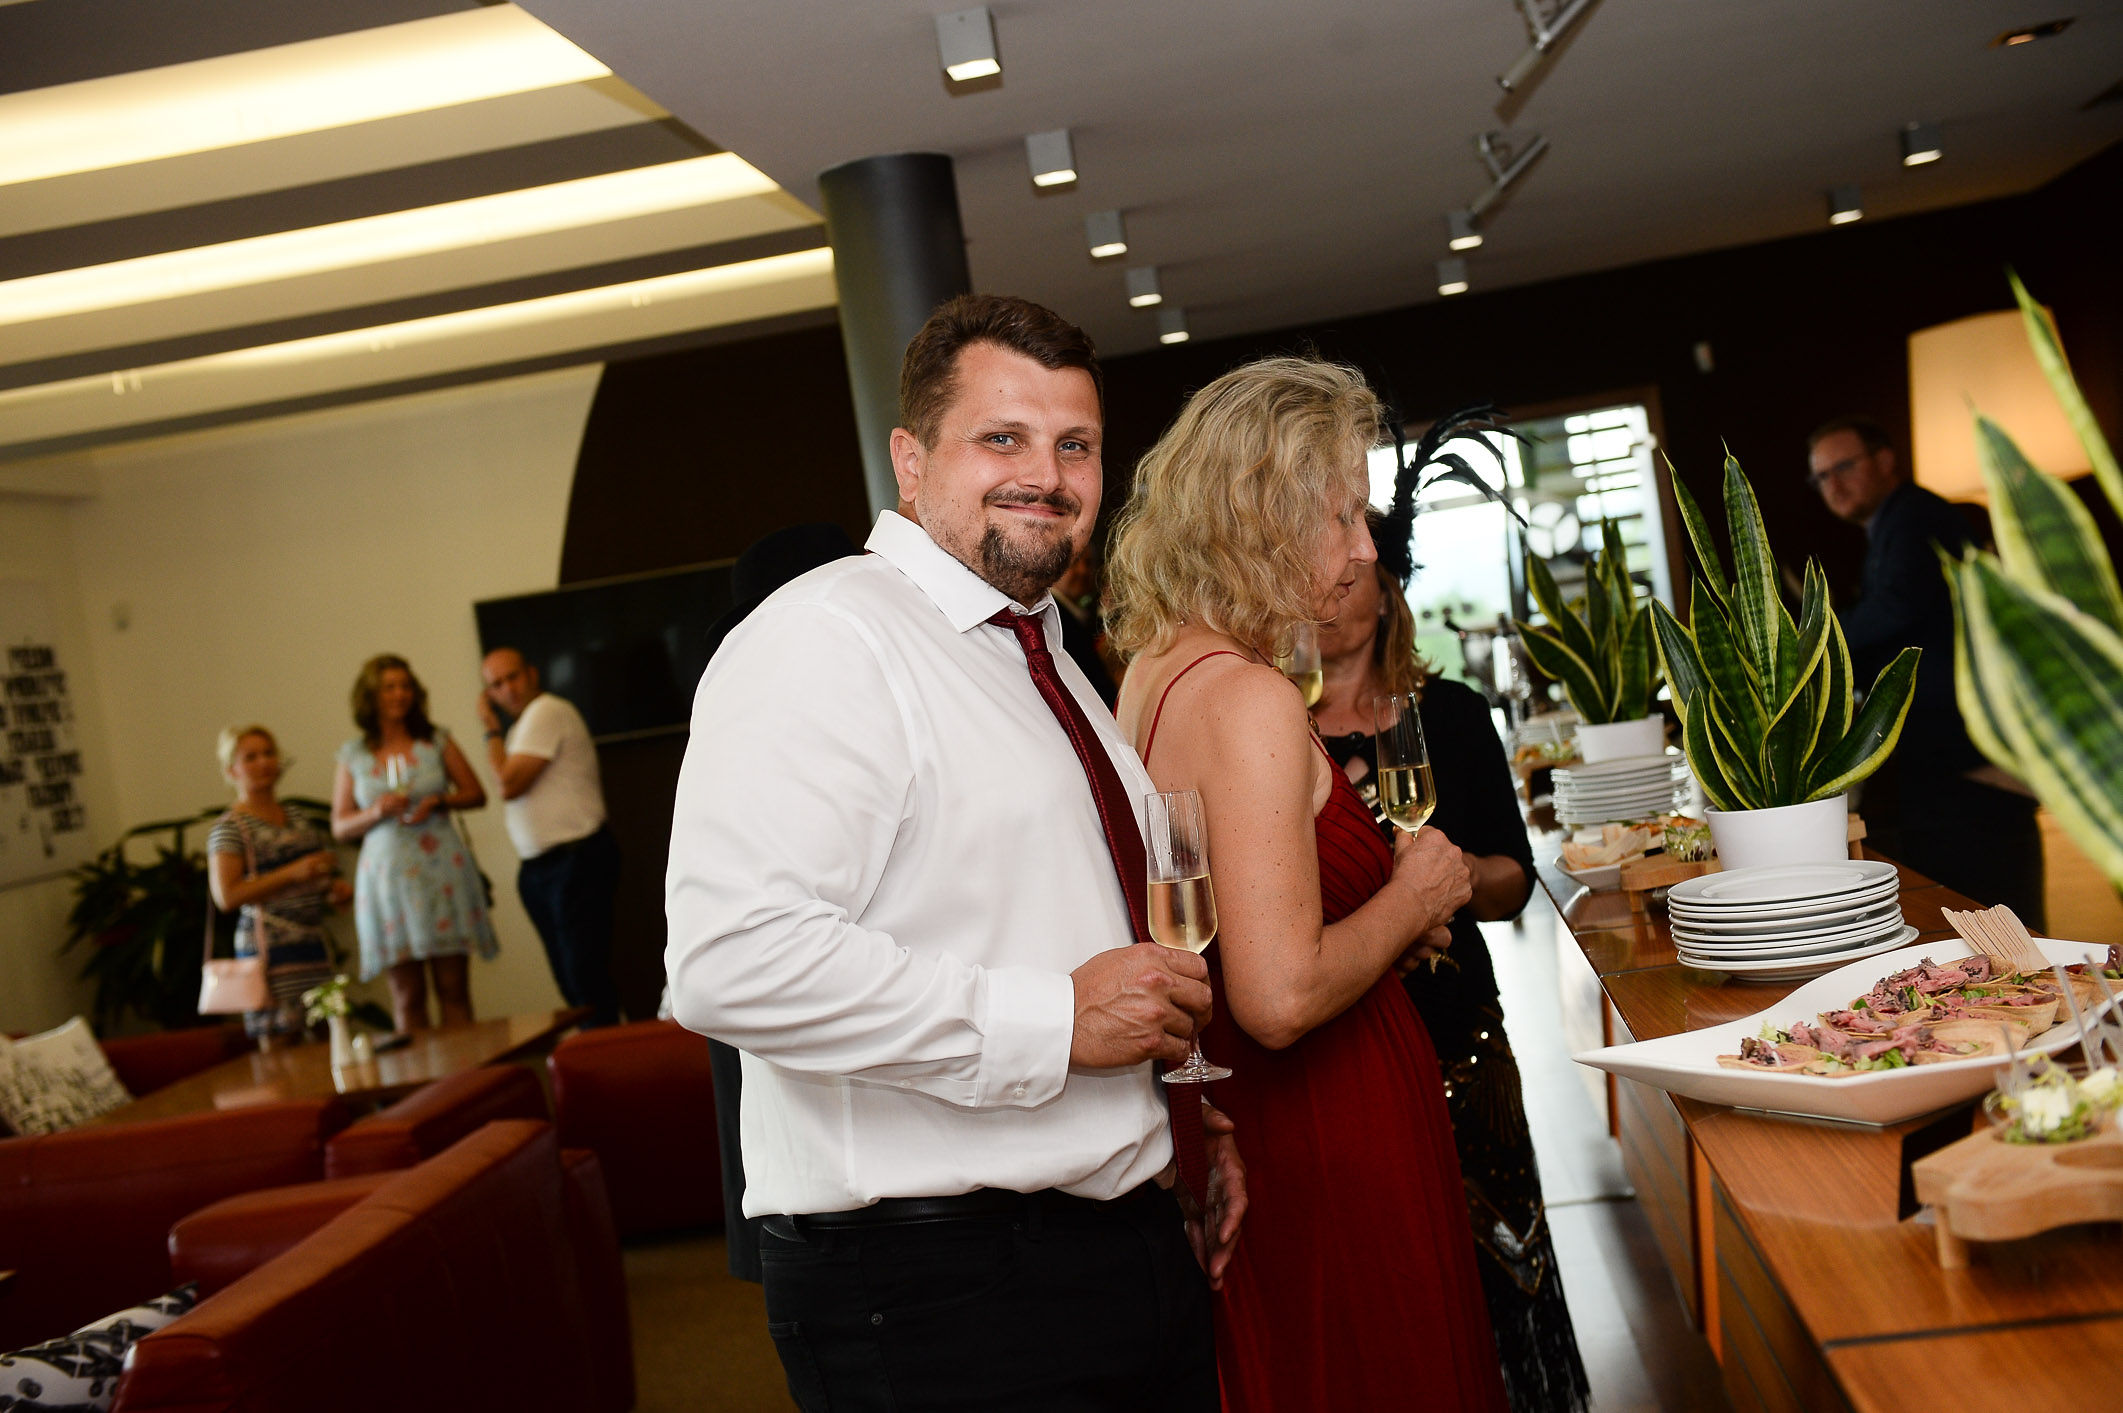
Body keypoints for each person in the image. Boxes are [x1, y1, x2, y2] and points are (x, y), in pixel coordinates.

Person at [665, 294, 1242, 1413]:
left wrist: (1164, 1122)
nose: (1046, 475)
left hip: (1114, 1245)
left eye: (1074, 445)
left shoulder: (1044, 653)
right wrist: (1053, 1022)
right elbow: (731, 961)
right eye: (1002, 438)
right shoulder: (824, 637)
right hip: (935, 1290)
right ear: (910, 459)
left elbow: (1042, 922)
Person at [1104, 355, 1509, 1413]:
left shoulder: (1155, 666)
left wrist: (1376, 923)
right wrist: (1415, 896)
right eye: (1342, 516)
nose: (1365, 548)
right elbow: (1278, 997)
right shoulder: (1248, 699)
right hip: (1328, 1131)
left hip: (1265, 1119)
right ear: (1260, 517)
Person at [1313, 552, 1592, 1413]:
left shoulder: (1453, 714)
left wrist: (1443, 879)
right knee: (1386, 1273)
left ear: (1388, 592)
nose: (1329, 587)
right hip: (1337, 1043)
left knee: (1501, 1255)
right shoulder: (1270, 727)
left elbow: (1514, 883)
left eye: (1350, 571)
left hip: (1459, 1032)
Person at [1805, 416, 2043, 925]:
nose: (1833, 485)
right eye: (1821, 476)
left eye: (1844, 467)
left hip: (1965, 753)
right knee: (1969, 903)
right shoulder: (1894, 521)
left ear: (1884, 460)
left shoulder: (1915, 516)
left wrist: (1814, 642)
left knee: (1990, 905)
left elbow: (1899, 608)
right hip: (1949, 752)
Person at [332, 654, 498, 1032]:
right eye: (389, 687)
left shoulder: (436, 740)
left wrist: (438, 801)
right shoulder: (354, 754)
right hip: (388, 880)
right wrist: (375, 812)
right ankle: (420, 1069)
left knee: (453, 988)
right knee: (407, 994)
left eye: (405, 686)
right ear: (370, 696)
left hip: (440, 871)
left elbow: (476, 794)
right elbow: (340, 826)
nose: (399, 694)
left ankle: (464, 1066)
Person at [476, 647, 621, 1029]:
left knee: (584, 979)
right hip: (544, 868)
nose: (508, 689)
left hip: (576, 860)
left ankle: (607, 1053)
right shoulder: (521, 729)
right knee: (572, 982)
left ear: (532, 673)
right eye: (496, 685)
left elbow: (507, 784)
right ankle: (598, 1050)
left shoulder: (546, 711)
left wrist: (489, 728)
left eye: (512, 677)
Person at [207, 725, 348, 1043]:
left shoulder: (297, 816)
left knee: (329, 1035)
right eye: (251, 757)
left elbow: (315, 875)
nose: (263, 763)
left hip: (312, 944)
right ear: (231, 770)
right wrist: (291, 873)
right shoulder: (229, 827)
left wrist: (333, 890)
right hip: (269, 952)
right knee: (282, 1043)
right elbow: (226, 896)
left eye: (269, 753)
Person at [1053, 537, 1119, 706]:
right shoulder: (1055, 618)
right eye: (1075, 562)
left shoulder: (1078, 616)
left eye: (1088, 563)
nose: (1083, 571)